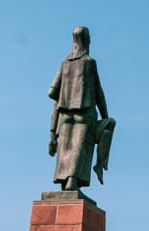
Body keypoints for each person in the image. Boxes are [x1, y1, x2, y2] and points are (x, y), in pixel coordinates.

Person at [48, 26, 115, 190]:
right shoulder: (89, 62)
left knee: (66, 148)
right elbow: (98, 92)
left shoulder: (64, 64)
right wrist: (105, 115)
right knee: (82, 145)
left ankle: (65, 182)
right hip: (84, 114)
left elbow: (53, 94)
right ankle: (89, 171)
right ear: (86, 41)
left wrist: (52, 135)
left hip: (64, 116)